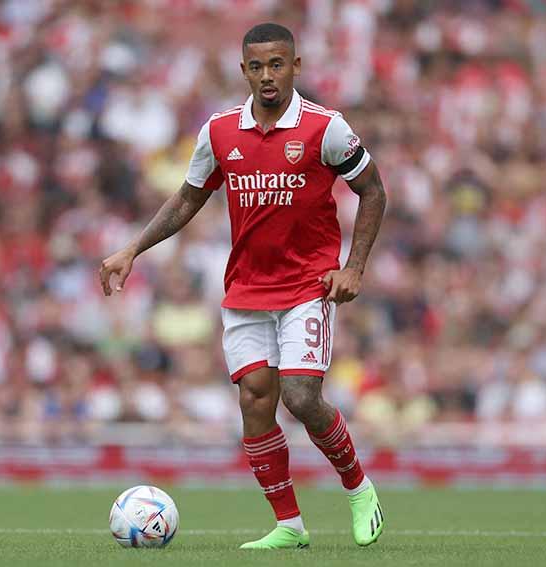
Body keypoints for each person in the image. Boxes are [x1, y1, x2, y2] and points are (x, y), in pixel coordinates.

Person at [99, 22, 387, 549]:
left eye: (277, 64)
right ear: (244, 71)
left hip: (307, 285)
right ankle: (289, 526)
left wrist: (354, 266)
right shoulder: (220, 131)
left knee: (300, 396)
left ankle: (358, 486)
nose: (267, 75)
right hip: (247, 291)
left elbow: (373, 192)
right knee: (256, 403)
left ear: (295, 66)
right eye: (257, 66)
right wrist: (132, 249)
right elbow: (187, 199)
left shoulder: (327, 128)